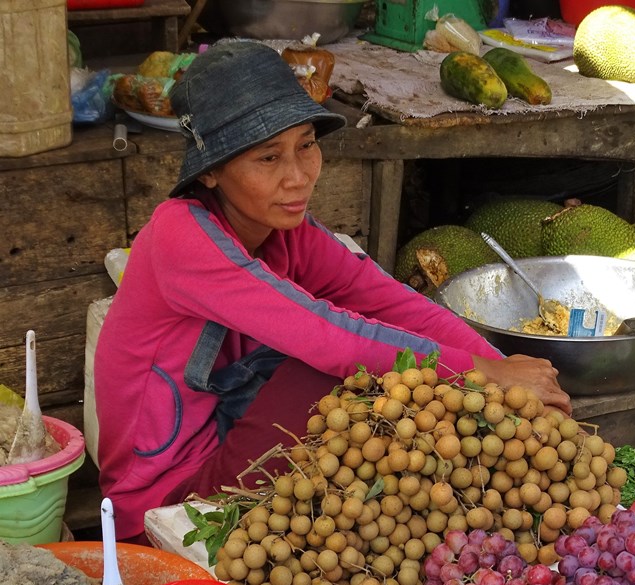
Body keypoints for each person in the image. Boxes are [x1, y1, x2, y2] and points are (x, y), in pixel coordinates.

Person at [94, 40, 570, 542]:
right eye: (268, 157)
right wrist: (485, 374)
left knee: (393, 374)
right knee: (342, 369)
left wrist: (511, 379)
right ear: (210, 172)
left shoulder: (287, 230)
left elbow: (394, 303)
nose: (297, 176)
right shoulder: (180, 239)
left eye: (306, 144)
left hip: (241, 454)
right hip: (165, 511)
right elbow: (332, 336)